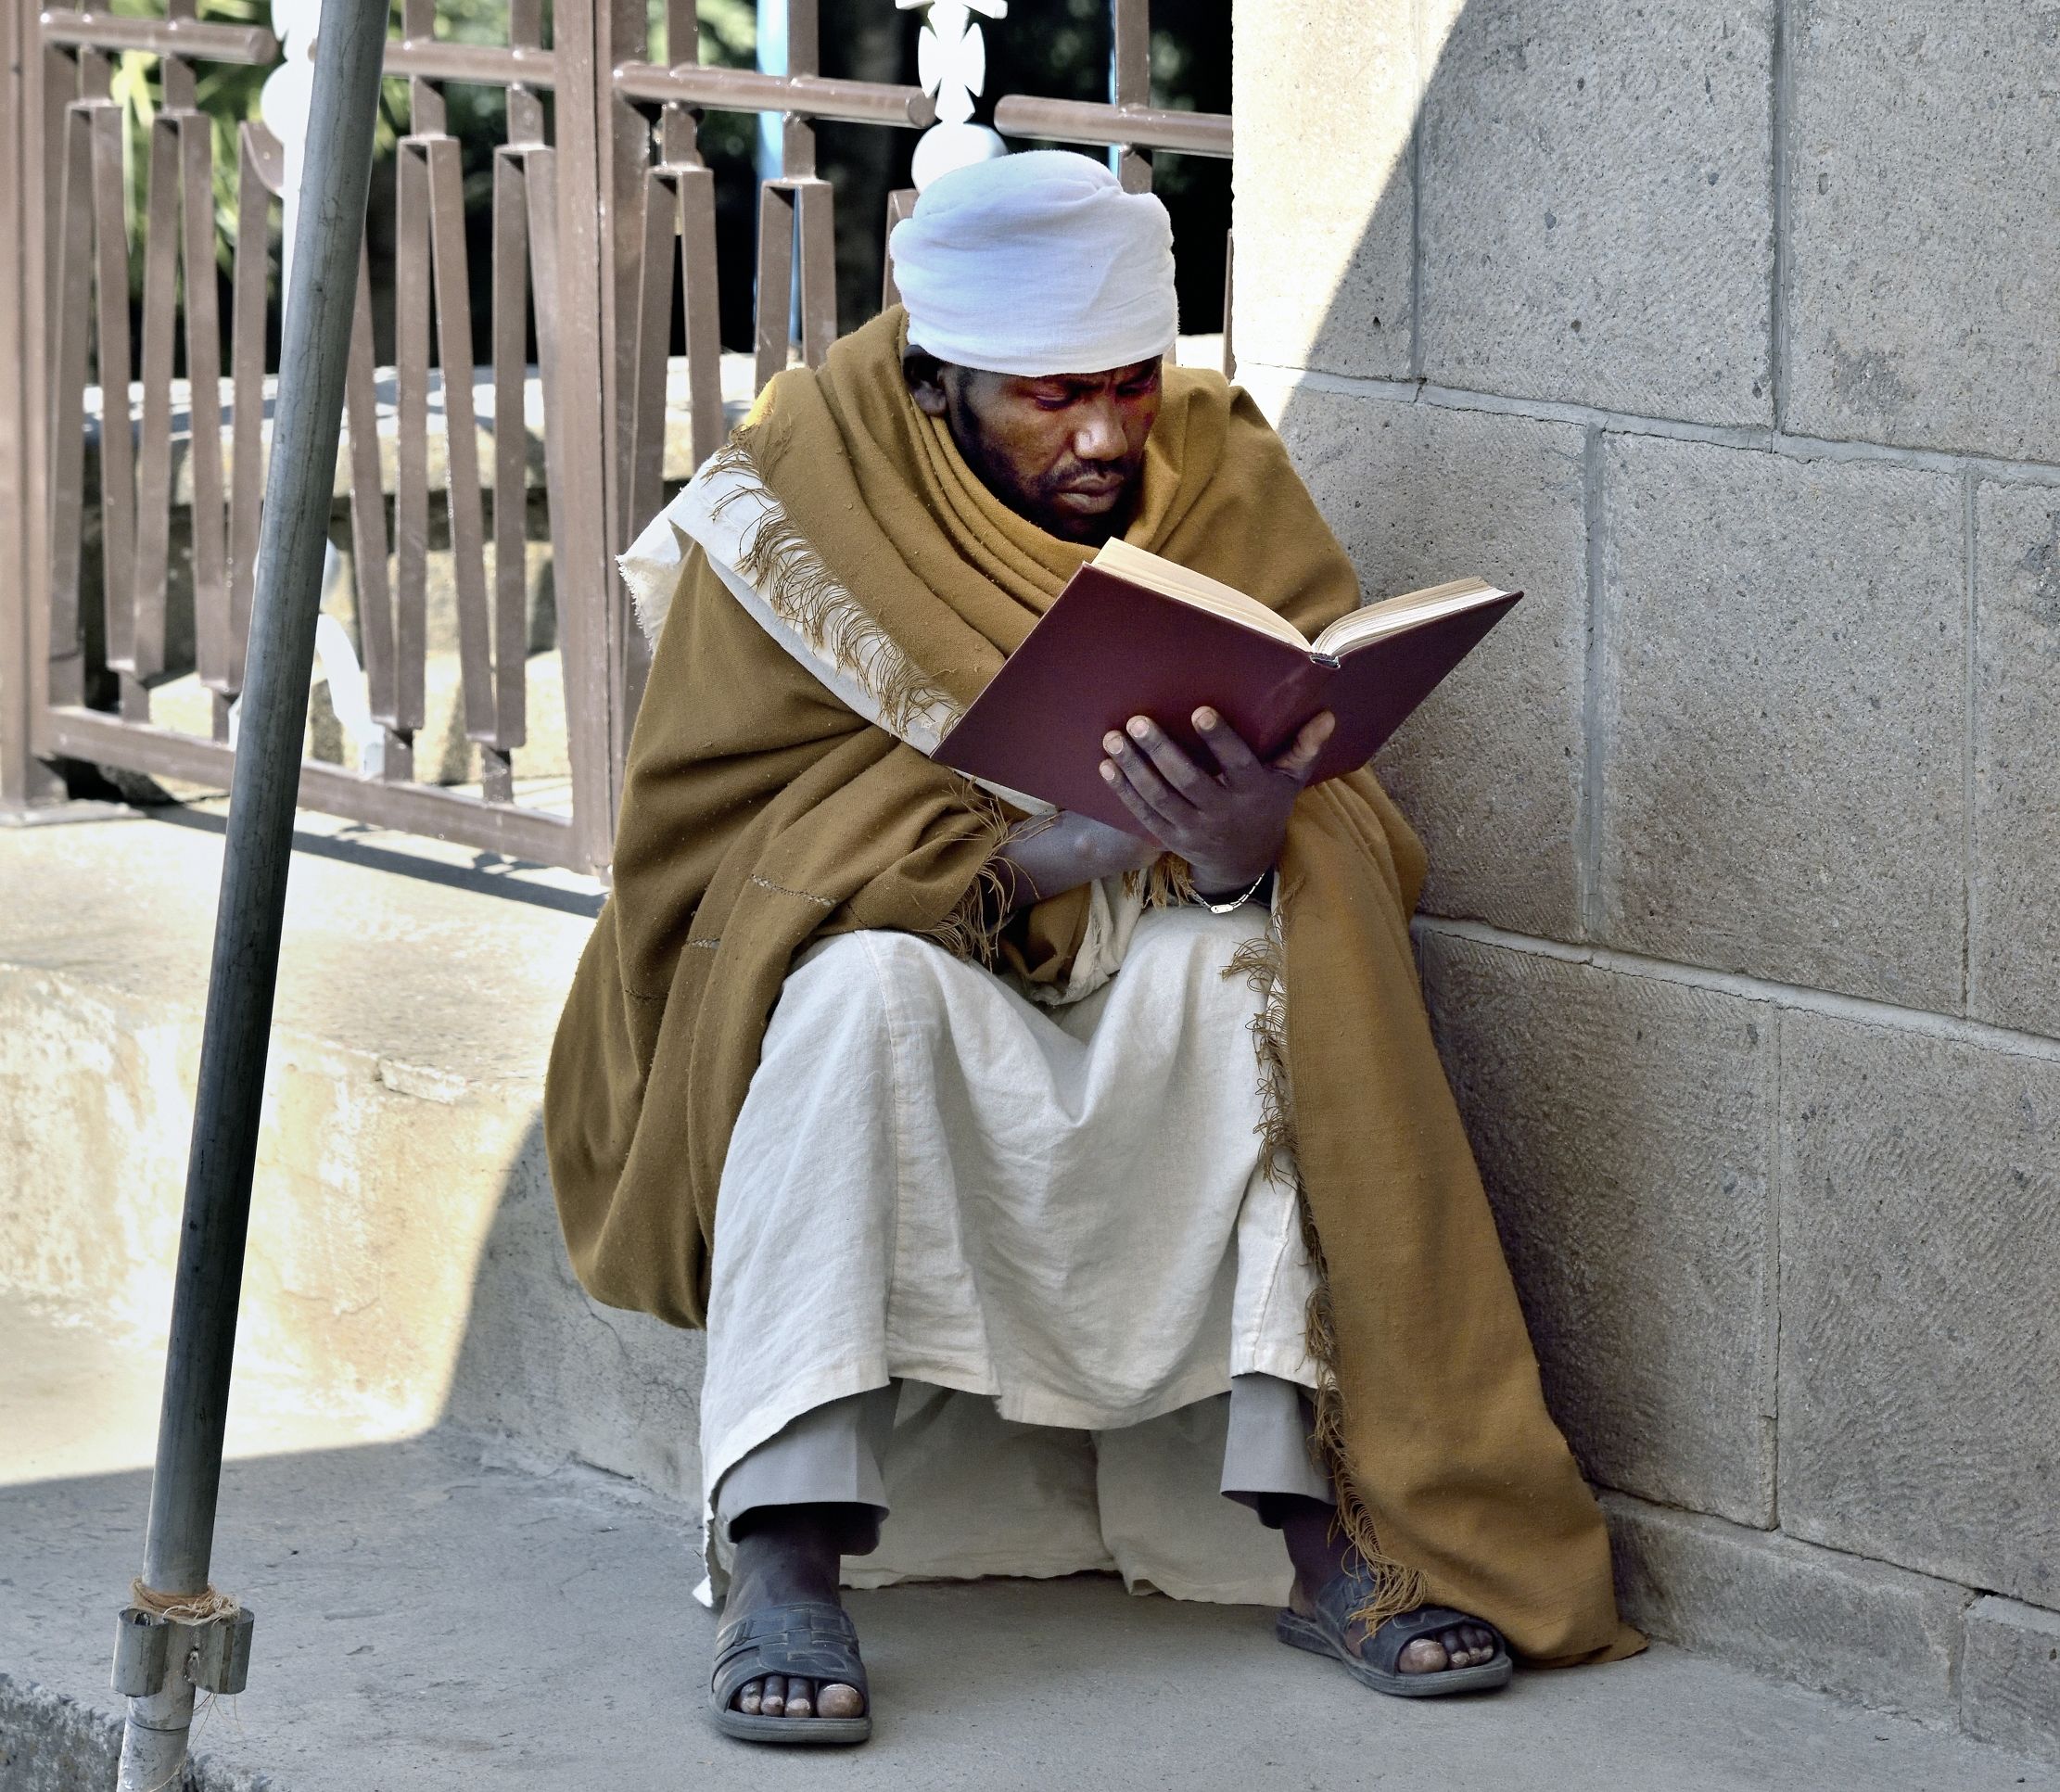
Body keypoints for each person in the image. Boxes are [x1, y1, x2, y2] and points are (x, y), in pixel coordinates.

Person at [545, 149, 1641, 1748]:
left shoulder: (1217, 465)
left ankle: (1326, 1535)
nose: (1108, 438)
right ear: (936, 383)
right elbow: (717, 861)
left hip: (1155, 945)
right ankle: (782, 1546)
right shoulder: (797, 496)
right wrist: (1043, 852)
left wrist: (1238, 843)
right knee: (852, 995)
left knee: (1255, 965)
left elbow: (1337, 798)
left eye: (1131, 384)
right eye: (1052, 398)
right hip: (918, 954)